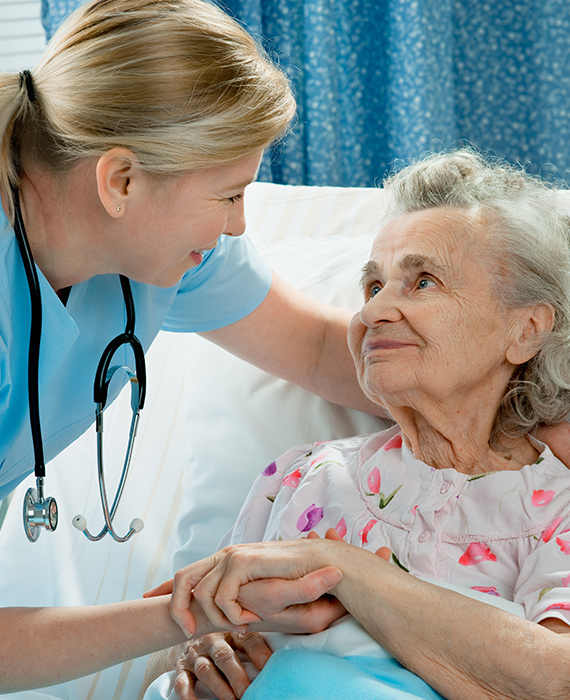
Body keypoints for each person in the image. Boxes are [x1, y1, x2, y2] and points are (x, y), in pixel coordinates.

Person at [0, 0, 378, 691]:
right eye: (228, 195)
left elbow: (324, 354)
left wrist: (518, 397)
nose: (239, 226)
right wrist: (201, 607)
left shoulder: (170, 252)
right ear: (120, 180)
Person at [152, 150, 570, 700]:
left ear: (527, 329)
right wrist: (203, 658)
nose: (374, 313)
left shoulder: (555, 509)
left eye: (423, 282)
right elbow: (190, 627)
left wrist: (348, 570)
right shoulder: (304, 476)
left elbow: (553, 682)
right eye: (373, 288)